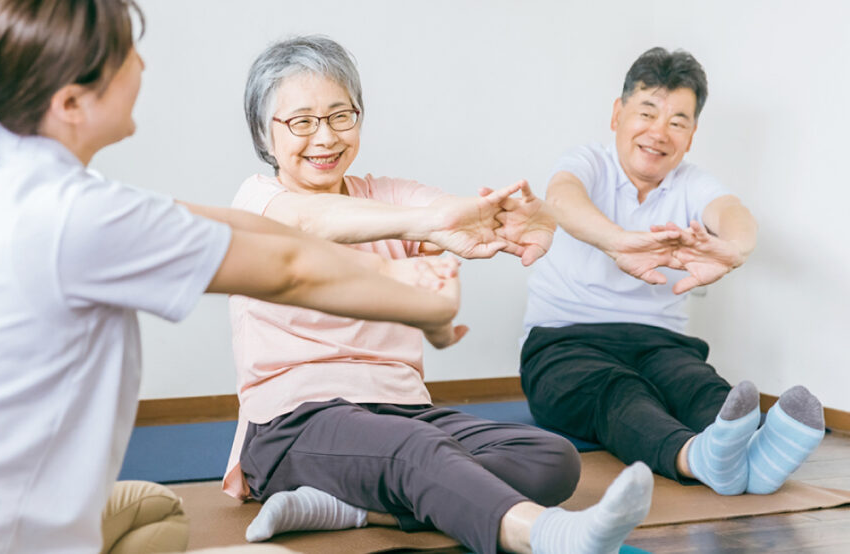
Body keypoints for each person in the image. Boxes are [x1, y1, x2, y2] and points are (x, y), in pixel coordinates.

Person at [0, 3, 469, 553]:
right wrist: (424, 305)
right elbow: (287, 268)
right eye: (124, 55)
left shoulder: (14, 179)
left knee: (159, 518)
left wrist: (430, 234)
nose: (141, 64)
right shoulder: (79, 217)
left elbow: (250, 227)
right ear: (70, 103)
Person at [222, 35, 655, 554]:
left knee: (550, 458)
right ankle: (544, 535)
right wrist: (431, 222)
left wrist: (514, 220)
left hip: (402, 410)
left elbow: (455, 212)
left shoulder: (385, 195)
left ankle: (355, 509)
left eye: (341, 116)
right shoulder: (259, 201)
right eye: (301, 122)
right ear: (265, 136)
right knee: (418, 451)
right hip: (294, 423)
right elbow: (312, 221)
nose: (325, 137)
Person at [521, 46, 825, 498]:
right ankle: (695, 458)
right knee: (620, 392)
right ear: (617, 114)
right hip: (564, 343)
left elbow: (734, 213)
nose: (659, 133)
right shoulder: (586, 163)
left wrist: (732, 250)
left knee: (699, 387)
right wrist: (617, 241)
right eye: (647, 112)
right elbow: (562, 199)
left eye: (677, 122)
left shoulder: (691, 183)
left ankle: (759, 461)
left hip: (660, 343)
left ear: (692, 134)